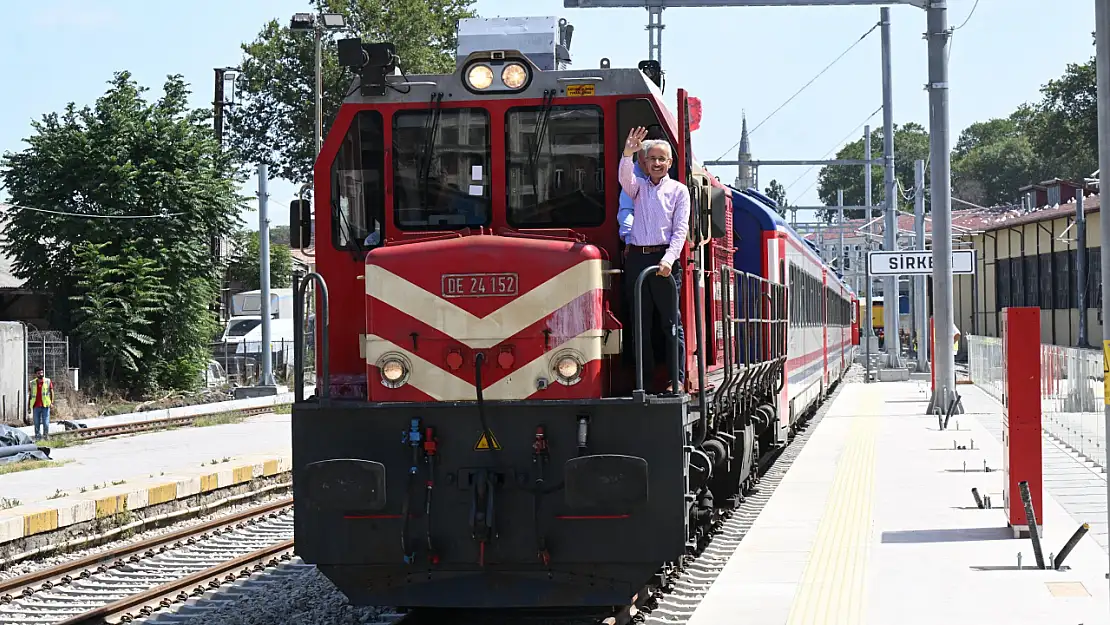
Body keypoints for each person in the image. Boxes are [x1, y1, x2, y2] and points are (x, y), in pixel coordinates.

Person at [619, 126, 690, 393]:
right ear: (645, 163)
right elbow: (625, 178)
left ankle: (677, 379)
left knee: (671, 323)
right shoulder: (638, 189)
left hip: (664, 260)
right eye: (652, 159)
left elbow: (680, 230)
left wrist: (669, 260)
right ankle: (643, 381)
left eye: (662, 159)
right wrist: (628, 152)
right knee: (641, 323)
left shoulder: (679, 191)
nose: (657, 163)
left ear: (669, 163)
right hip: (638, 258)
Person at [28, 367, 53, 441]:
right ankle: (38, 438)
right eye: (39, 373)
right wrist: (28, 406)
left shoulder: (47, 381)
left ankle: (46, 436)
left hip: (45, 405)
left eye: (42, 372)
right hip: (36, 406)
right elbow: (30, 395)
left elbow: (51, 392)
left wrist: (51, 402)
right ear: (36, 374)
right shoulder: (32, 383)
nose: (41, 374)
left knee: (46, 423)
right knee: (36, 423)